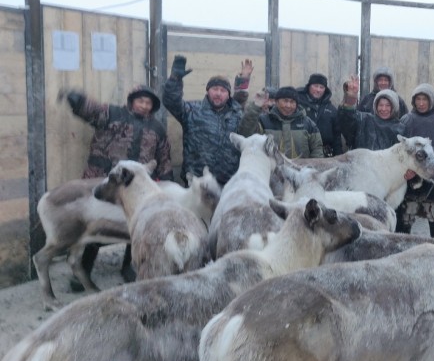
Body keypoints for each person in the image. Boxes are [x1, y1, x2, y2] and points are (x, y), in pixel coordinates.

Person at [59, 84, 172, 285]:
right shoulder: (111, 114)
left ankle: (128, 266)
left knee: (135, 227)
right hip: (105, 182)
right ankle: (83, 270)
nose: (144, 106)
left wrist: (166, 182)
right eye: (140, 101)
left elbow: (163, 157)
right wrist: (76, 99)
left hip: (135, 189)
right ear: (132, 101)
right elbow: (91, 111)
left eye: (148, 103)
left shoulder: (157, 128)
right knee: (97, 225)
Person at [163, 55, 252, 186]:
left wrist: (243, 80)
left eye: (223, 90)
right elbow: (171, 101)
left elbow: (240, 101)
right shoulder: (192, 110)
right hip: (197, 183)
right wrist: (175, 79)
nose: (218, 93)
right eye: (215, 89)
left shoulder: (236, 114)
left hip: (229, 184)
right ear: (207, 91)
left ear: (228, 95)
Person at [397, 83, 434, 238]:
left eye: (424, 99)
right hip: (410, 183)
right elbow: (400, 150)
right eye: (418, 99)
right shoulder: (406, 120)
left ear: (431, 100)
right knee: (403, 229)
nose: (421, 103)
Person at [239, 86, 323, 159]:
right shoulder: (263, 121)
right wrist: (255, 107)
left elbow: (317, 148)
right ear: (277, 102)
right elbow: (246, 134)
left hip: (300, 173)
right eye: (285, 101)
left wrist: (313, 168)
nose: (288, 105)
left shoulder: (307, 123)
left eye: (292, 102)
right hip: (271, 172)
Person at [339, 74, 406, 151]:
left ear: (394, 107)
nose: (384, 109)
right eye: (381, 105)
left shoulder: (401, 129)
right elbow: (347, 119)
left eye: (388, 106)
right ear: (375, 106)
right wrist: (350, 98)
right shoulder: (364, 120)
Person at [296, 73, 343, 157]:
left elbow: (337, 137)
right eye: (315, 86)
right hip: (301, 155)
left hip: (325, 155)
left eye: (321, 87)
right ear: (309, 86)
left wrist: (339, 156)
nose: (318, 90)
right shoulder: (297, 105)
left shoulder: (331, 109)